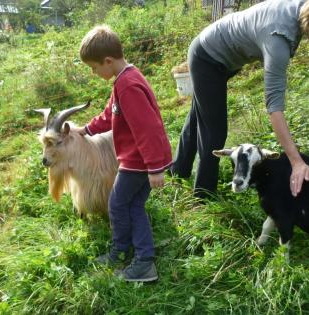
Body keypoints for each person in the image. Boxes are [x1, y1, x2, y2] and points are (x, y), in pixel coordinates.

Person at [170, 0, 309, 199]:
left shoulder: (299, 6)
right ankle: (203, 196)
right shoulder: (278, 40)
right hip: (207, 58)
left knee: (198, 117)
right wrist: (296, 161)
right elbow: (274, 107)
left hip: (221, 55)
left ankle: (177, 172)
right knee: (214, 131)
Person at [74, 25, 172, 282]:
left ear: (108, 61)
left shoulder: (128, 85)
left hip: (139, 161)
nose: (94, 73)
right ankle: (137, 255)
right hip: (139, 159)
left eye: (94, 68)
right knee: (133, 206)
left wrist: (154, 168)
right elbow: (110, 114)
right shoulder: (124, 79)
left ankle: (132, 257)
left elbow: (147, 129)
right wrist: (86, 129)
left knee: (117, 205)